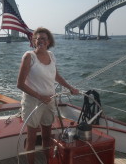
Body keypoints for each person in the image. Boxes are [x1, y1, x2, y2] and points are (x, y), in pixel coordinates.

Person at [17, 27, 79, 164]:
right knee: (32, 138)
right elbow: (20, 84)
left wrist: (70, 88)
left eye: (43, 39)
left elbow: (55, 75)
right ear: (34, 41)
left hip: (49, 101)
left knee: (46, 136)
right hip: (33, 102)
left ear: (49, 41)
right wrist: (40, 96)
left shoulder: (51, 55)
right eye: (37, 39)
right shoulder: (29, 56)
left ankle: (47, 161)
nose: (40, 41)